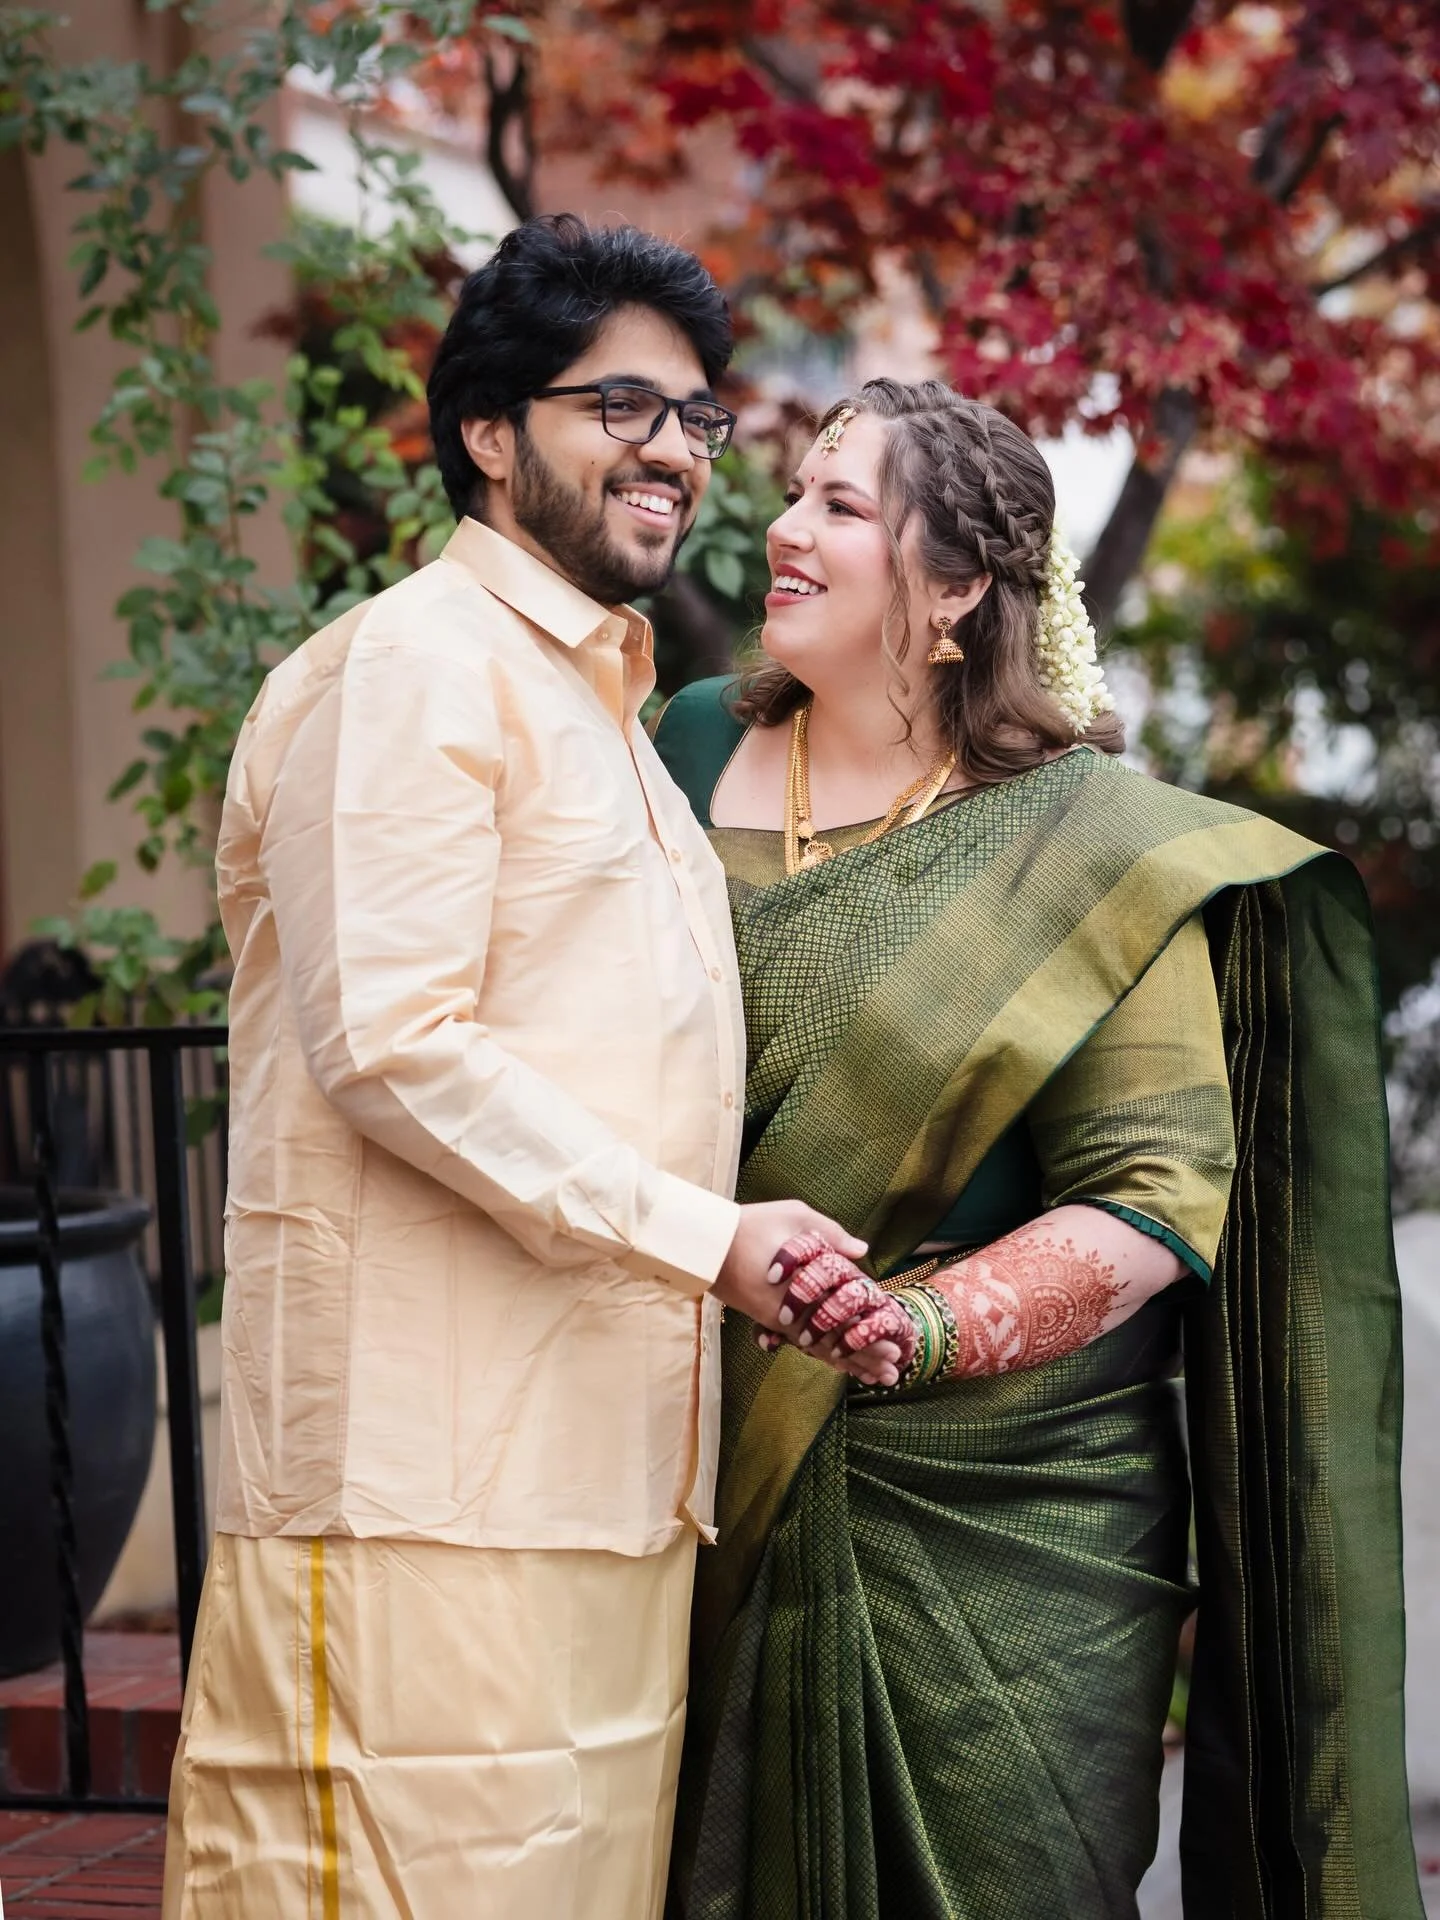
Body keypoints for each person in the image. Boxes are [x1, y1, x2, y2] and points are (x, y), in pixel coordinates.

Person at [161, 214, 874, 1920]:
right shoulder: (416, 671)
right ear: (490, 433)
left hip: (606, 1486)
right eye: (620, 403)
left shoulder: (608, 713)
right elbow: (393, 1045)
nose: (676, 452)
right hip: (418, 1495)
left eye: (699, 416)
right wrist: (713, 1238)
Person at [653, 378, 1422, 1918]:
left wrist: (912, 1328)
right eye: (794, 492)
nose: (784, 529)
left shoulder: (1083, 844)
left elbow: (1149, 1194)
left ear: (953, 593)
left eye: (841, 506)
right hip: (697, 1456)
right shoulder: (677, 746)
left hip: (1013, 1516)